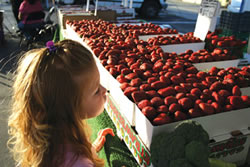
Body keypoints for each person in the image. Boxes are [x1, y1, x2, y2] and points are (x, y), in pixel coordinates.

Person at [8, 39, 115, 167]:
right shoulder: (78, 163)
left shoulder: (53, 141)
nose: (104, 90)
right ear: (70, 108)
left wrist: (91, 149)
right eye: (96, 90)